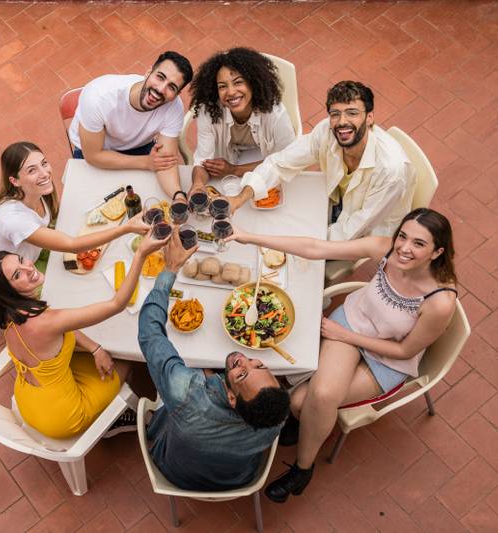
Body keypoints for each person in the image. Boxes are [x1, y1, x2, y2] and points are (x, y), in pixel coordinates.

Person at [227, 208, 458, 502]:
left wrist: (345, 336)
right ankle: (305, 426)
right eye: (403, 236)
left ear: (438, 252)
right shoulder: (385, 248)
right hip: (353, 322)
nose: (404, 248)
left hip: (386, 358)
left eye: (418, 244)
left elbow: (405, 350)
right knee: (304, 403)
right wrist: (248, 237)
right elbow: (316, 248)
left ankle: (303, 469)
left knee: (308, 400)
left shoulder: (439, 302)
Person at [137, 231, 290, 490]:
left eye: (242, 373)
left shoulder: (185, 391)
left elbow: (150, 334)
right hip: (241, 477)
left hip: (176, 473)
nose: (244, 359)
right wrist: (225, 376)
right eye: (258, 364)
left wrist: (170, 269)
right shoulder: (277, 416)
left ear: (232, 399)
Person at [0, 232, 168, 439]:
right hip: (63, 416)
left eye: (22, 260)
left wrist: (94, 348)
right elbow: (117, 304)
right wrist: (140, 254)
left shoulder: (7, 314)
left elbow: (61, 327)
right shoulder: (45, 322)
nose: (29, 268)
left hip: (31, 397)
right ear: (7, 291)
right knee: (129, 359)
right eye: (17, 275)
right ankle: (109, 422)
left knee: (104, 351)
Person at [232, 81, 416, 242]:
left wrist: (302, 243)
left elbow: (356, 227)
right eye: (335, 114)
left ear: (369, 118)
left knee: (302, 260)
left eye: (352, 113)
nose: (342, 122)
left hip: (369, 228)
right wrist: (240, 198)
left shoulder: (391, 171)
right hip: (336, 198)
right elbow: (280, 163)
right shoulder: (326, 130)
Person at [0, 142, 149, 262]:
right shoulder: (14, 220)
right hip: (10, 275)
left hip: (31, 253)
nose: (45, 174)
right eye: (32, 170)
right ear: (15, 181)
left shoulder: (35, 190)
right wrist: (126, 228)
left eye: (44, 163)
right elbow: (73, 245)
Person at [68, 51, 193, 200]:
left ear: (176, 95)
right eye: (160, 77)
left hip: (139, 147)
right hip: (96, 150)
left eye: (172, 87)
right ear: (148, 73)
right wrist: (146, 162)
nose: (160, 89)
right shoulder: (98, 97)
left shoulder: (174, 107)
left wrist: (178, 196)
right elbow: (93, 156)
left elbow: (164, 162)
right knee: (92, 200)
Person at [187, 47, 296, 194]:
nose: (231, 92)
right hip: (227, 155)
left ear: (253, 83)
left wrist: (234, 170)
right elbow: (202, 160)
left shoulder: (276, 114)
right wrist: (198, 185)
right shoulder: (208, 111)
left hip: (262, 156)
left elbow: (287, 161)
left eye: (238, 82)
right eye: (222, 86)